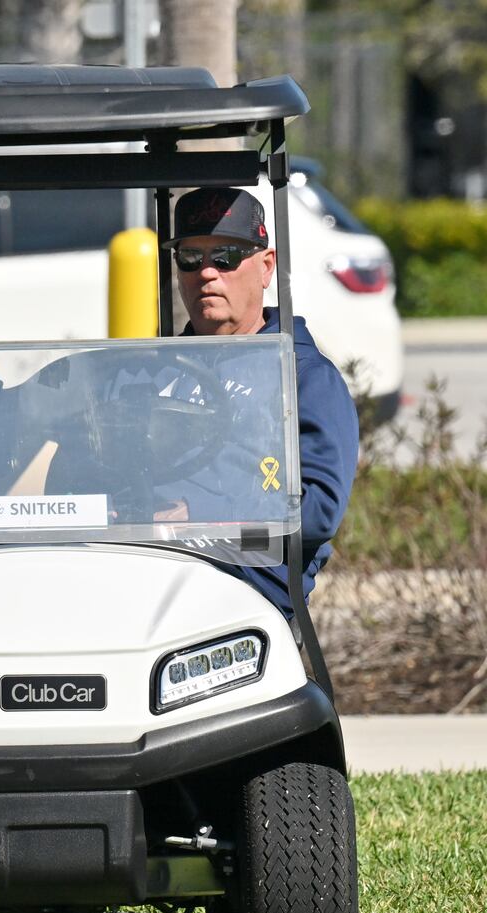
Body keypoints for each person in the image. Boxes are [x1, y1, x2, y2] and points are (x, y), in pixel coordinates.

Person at [157, 186, 358, 617]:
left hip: (243, 597)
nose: (206, 273)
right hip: (147, 574)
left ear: (266, 267)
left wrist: (200, 514)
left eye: (225, 256)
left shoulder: (305, 377)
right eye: (190, 257)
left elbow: (320, 509)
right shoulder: (153, 372)